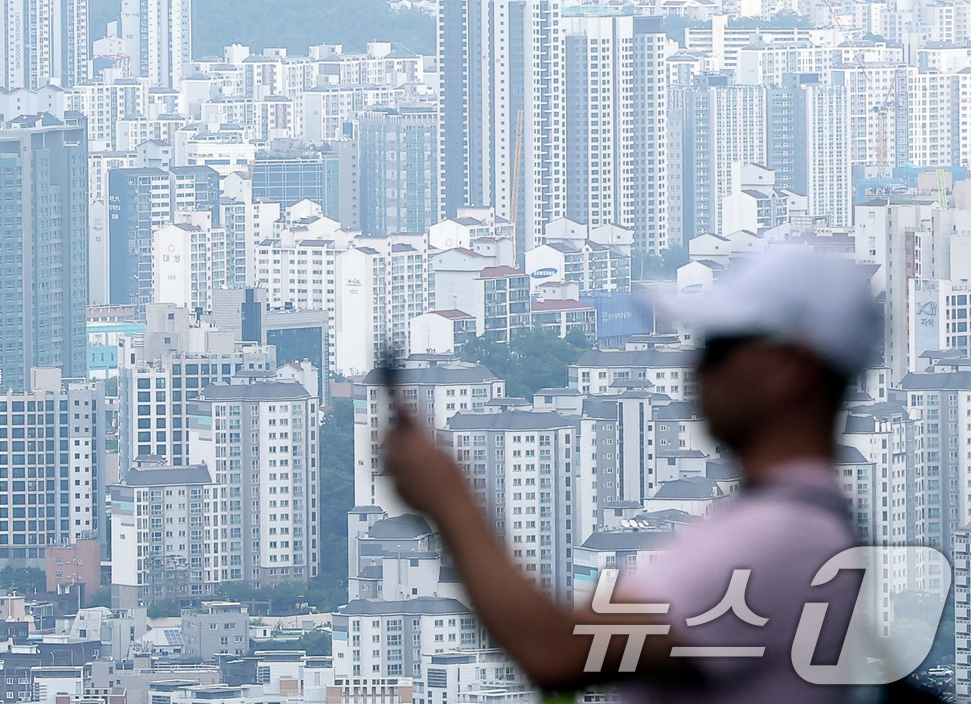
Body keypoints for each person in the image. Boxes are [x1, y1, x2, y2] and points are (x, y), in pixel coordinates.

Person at [382, 245, 906, 702]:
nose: (694, 368)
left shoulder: (779, 537)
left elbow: (557, 651)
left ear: (792, 366)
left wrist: (448, 498)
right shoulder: (803, 525)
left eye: (718, 346)